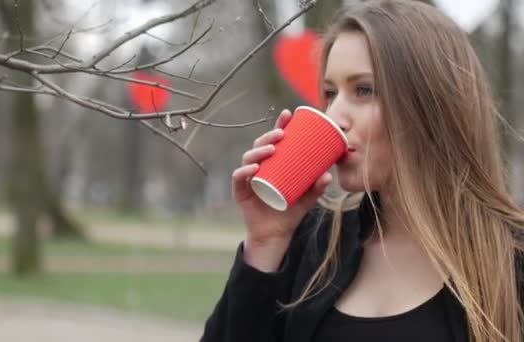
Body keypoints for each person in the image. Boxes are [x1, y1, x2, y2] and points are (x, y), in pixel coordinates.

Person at [200, 0, 524, 341]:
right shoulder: (314, 244)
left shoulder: (509, 261)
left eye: (364, 90)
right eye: (329, 93)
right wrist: (266, 242)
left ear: (431, 105)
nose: (335, 116)